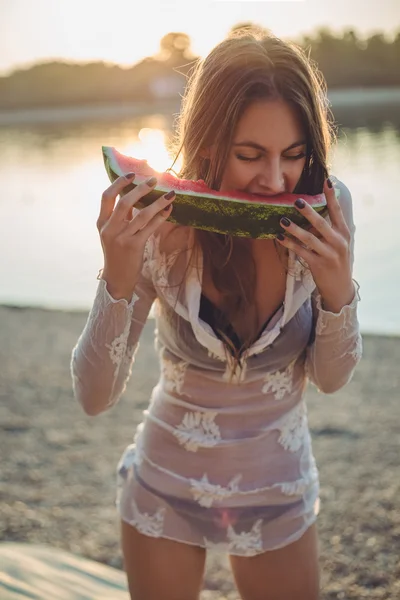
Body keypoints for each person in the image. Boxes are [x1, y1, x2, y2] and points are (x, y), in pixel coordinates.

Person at [71, 27, 362, 600]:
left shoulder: (327, 209)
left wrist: (337, 287)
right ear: (207, 142)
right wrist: (118, 274)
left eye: (294, 154)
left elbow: (331, 381)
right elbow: (94, 397)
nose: (276, 179)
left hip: (277, 489)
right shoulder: (158, 224)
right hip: (165, 485)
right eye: (250, 154)